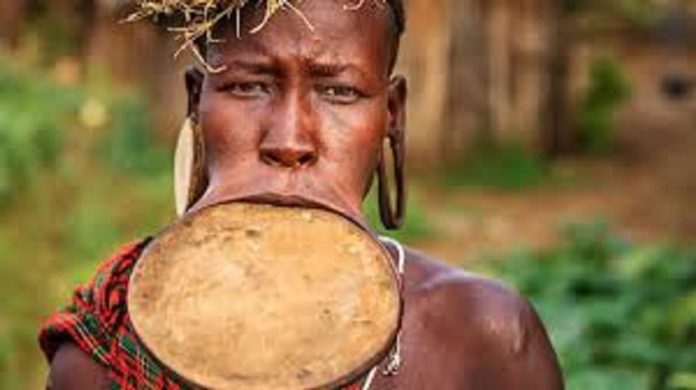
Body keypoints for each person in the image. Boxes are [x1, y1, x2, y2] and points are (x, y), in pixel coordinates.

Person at [41, 1, 564, 388]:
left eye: (339, 91)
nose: (289, 142)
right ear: (197, 100)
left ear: (392, 115)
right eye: (249, 85)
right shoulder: (105, 351)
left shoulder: (483, 338)